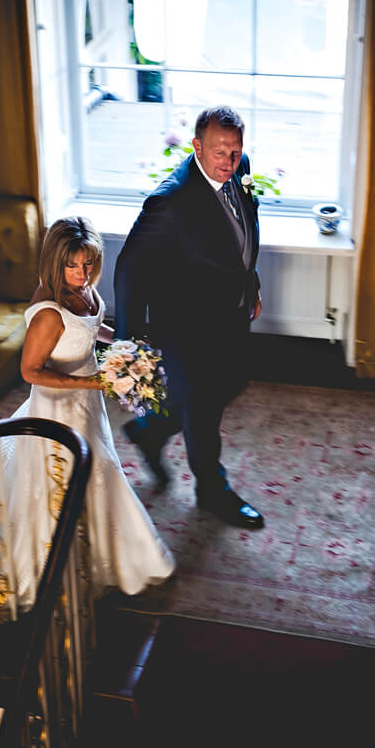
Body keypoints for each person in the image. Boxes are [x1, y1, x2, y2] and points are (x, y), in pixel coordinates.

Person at [0, 216, 175, 610]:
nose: (82, 273)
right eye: (73, 265)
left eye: (89, 264)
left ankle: (111, 548)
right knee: (76, 477)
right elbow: (30, 372)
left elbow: (90, 327)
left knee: (97, 471)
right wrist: (94, 383)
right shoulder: (49, 313)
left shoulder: (84, 290)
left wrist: (123, 343)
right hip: (60, 411)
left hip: (87, 403)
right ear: (56, 263)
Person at [114, 105, 265, 529]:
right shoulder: (170, 202)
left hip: (231, 314)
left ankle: (149, 431)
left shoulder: (241, 169)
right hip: (186, 327)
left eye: (236, 152)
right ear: (196, 146)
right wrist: (127, 345)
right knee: (204, 408)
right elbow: (128, 269)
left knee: (231, 383)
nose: (229, 163)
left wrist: (249, 283)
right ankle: (213, 492)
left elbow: (244, 230)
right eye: (220, 153)